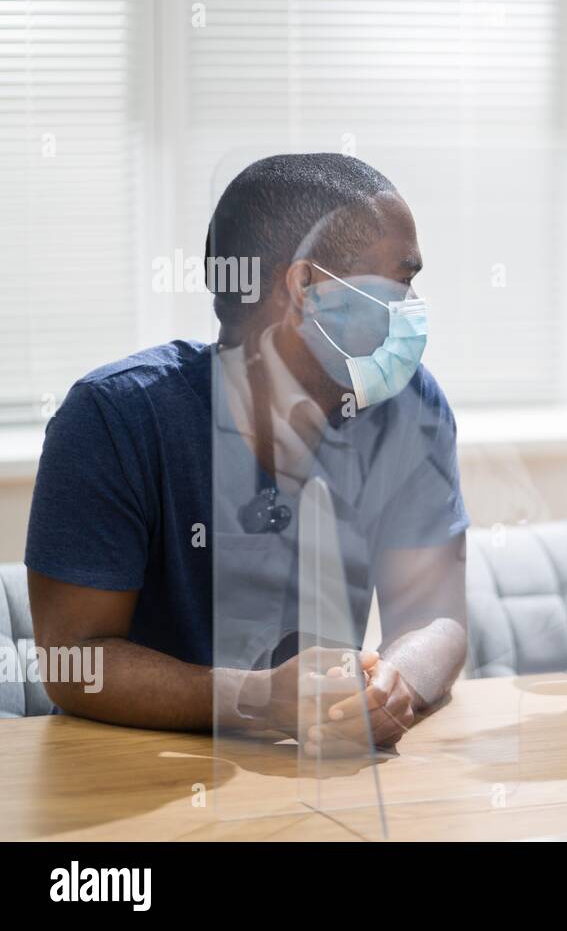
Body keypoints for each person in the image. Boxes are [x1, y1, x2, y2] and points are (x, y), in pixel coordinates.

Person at [27, 154, 469, 753]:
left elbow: (435, 618)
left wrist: (396, 685)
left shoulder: (408, 405)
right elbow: (73, 662)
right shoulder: (113, 418)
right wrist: (254, 699)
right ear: (307, 288)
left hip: (316, 783)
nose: (414, 303)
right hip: (130, 788)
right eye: (401, 279)